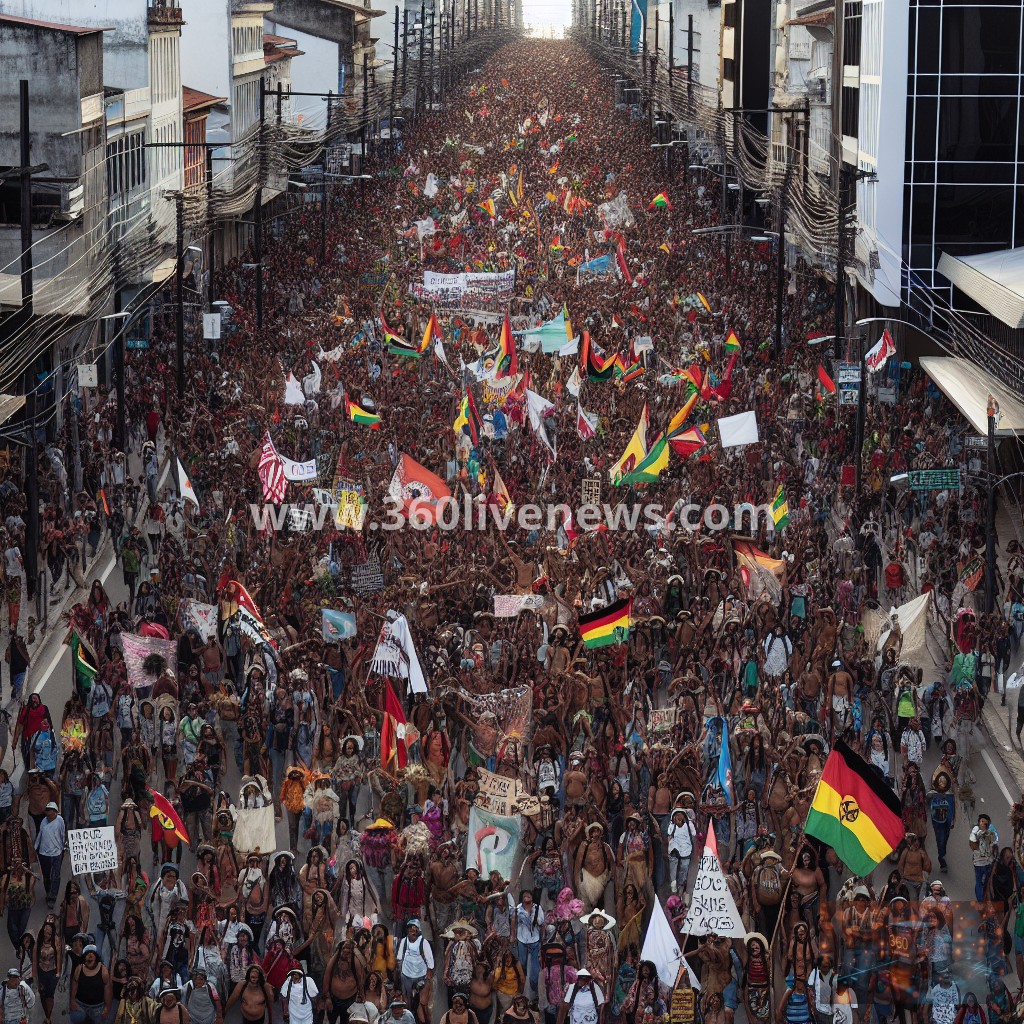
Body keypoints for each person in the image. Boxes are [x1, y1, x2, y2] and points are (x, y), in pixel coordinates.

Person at [34, 801, 65, 909]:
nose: (48, 812)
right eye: (47, 810)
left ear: (55, 812)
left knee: (55, 876)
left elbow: (62, 834)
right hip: (44, 853)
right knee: (47, 876)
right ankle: (48, 892)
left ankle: (52, 897)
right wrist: (34, 848)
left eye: (50, 810)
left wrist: (62, 848)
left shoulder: (60, 820)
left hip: (57, 853)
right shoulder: (43, 821)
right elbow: (40, 835)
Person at [70, 944, 112, 1024]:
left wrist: (107, 1008)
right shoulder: (79, 968)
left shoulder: (103, 971)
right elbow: (74, 983)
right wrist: (72, 1001)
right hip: (80, 1006)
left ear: (96, 958)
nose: (89, 955)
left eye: (92, 953)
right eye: (87, 953)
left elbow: (108, 989)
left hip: (97, 1008)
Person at [970, 814, 999, 902]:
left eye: (985, 822)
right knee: (981, 881)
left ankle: (983, 899)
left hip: (985, 862)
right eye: (982, 821)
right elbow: (973, 843)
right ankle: (982, 900)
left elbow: (995, 840)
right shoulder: (977, 830)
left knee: (984, 881)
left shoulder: (989, 830)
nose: (983, 823)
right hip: (980, 862)